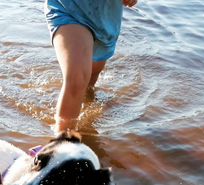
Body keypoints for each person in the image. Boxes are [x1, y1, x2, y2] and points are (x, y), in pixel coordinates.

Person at [45, 0, 138, 133]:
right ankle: (62, 144)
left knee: (89, 84)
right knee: (77, 80)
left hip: (105, 18)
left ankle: (85, 129)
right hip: (70, 9)